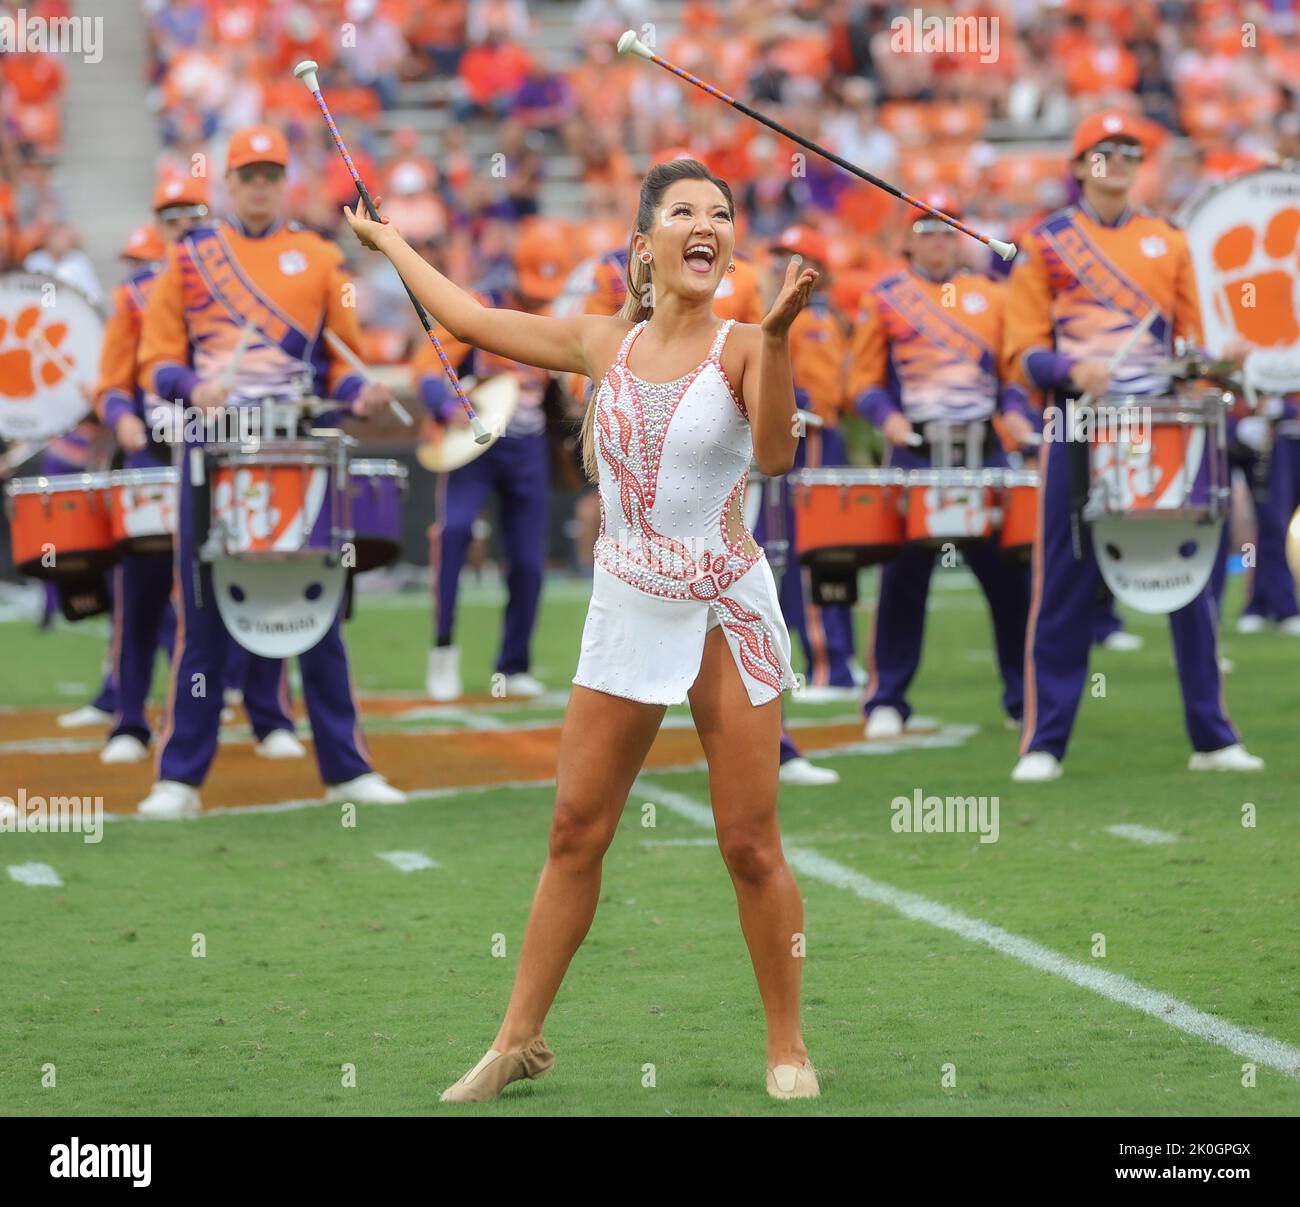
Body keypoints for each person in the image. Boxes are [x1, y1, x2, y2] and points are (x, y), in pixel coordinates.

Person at [346, 157, 822, 1100]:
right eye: (683, 211)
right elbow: (472, 322)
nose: (707, 224)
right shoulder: (603, 340)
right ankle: (515, 1039)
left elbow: (773, 456)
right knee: (573, 828)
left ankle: (787, 1043)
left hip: (725, 600)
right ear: (645, 243)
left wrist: (778, 341)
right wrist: (391, 240)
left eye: (721, 214)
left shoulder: (742, 342)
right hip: (629, 596)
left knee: (748, 842)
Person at [134, 125, 406, 817]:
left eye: (269, 174)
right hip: (213, 450)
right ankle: (180, 777)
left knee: (318, 610)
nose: (259, 185)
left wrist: (361, 390)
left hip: (295, 448)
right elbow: (155, 358)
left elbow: (343, 358)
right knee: (204, 615)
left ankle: (346, 768)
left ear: (283, 182)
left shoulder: (318, 258)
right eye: (247, 174)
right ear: (229, 182)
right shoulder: (190, 256)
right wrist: (191, 389)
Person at [1003, 110, 1263, 780]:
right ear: (1081, 162)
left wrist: (1220, 361)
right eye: (1105, 151)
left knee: (1193, 579)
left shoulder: (1168, 240)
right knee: (1063, 581)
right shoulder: (1045, 242)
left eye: (1129, 151)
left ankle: (1212, 734)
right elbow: (1022, 352)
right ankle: (1044, 742)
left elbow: (1190, 344)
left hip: (1164, 423)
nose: (1119, 161)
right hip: (1079, 428)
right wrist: (1068, 371)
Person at [94, 172, 304, 765]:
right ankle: (130, 720)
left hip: (231, 449)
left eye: (194, 215)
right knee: (141, 590)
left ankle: (269, 714)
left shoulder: (237, 290)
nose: (183, 226)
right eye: (172, 218)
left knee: (262, 573)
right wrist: (124, 420)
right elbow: (110, 384)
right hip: (156, 451)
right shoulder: (134, 295)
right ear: (158, 227)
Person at [851, 190, 1036, 739]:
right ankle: (887, 698)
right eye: (927, 231)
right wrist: (888, 421)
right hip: (917, 449)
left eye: (946, 230)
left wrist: (1017, 416)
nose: (937, 241)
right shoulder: (884, 297)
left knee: (1010, 575)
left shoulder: (993, 295)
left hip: (985, 448)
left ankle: (1024, 697)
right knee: (903, 576)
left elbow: (1013, 377)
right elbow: (861, 381)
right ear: (909, 239)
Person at [418, 220, 570, 701]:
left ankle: (514, 665)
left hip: (527, 447)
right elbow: (429, 364)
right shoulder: (480, 305)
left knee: (528, 558)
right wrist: (448, 407)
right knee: (456, 532)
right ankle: (442, 653)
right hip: (477, 442)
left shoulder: (561, 316)